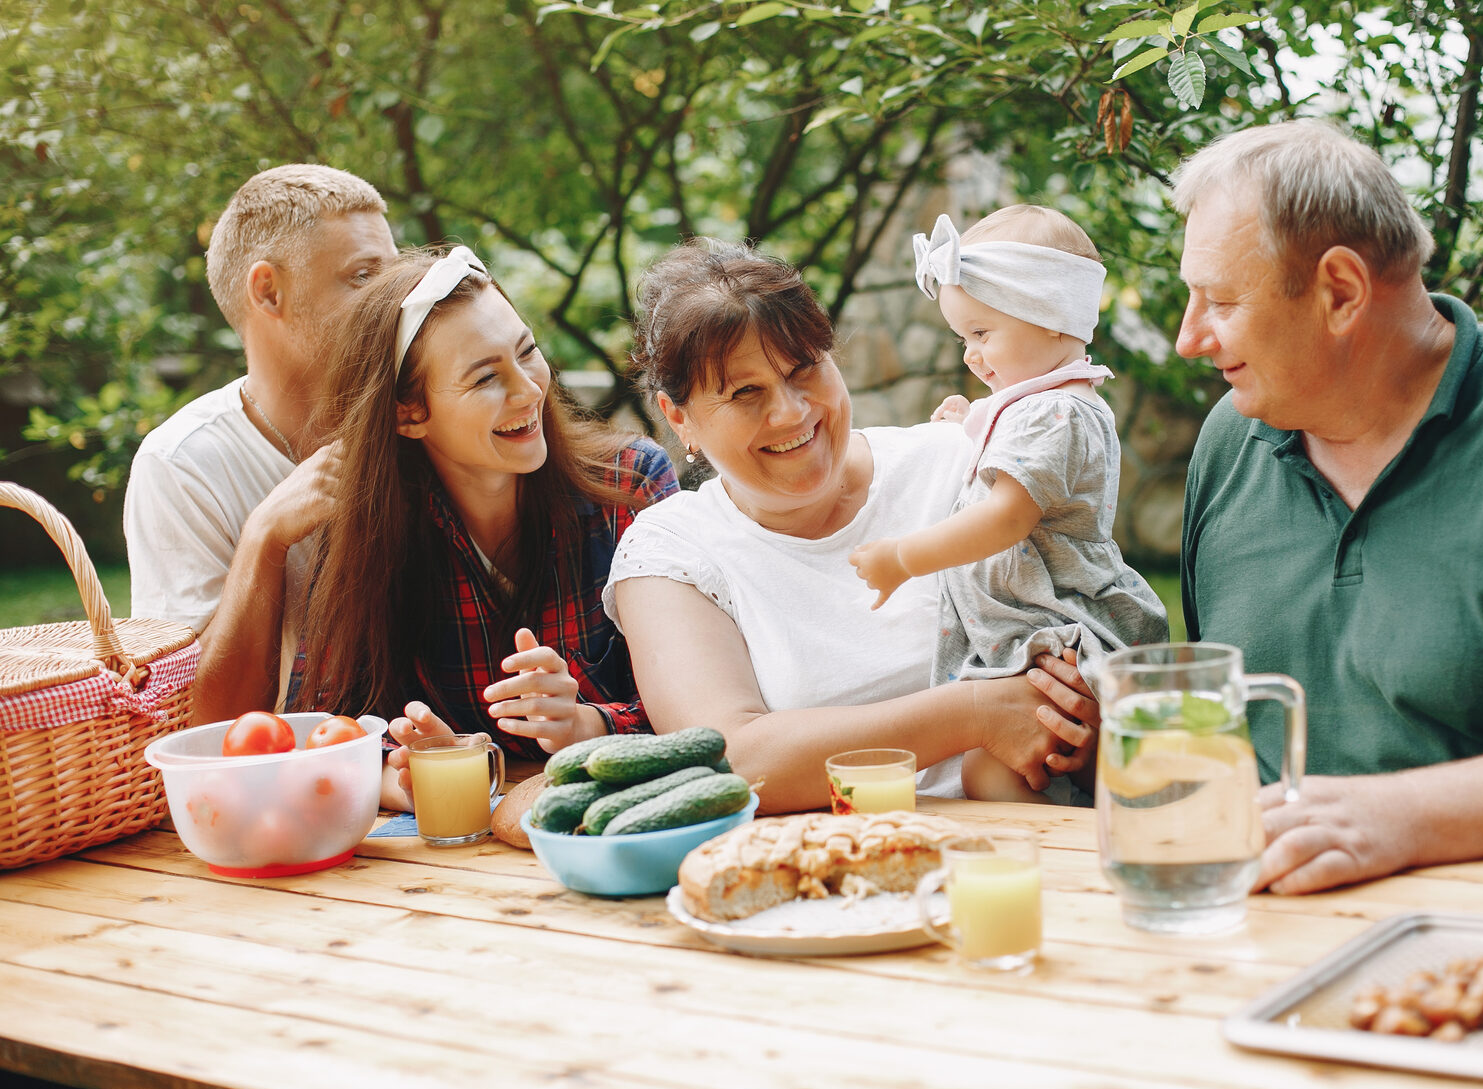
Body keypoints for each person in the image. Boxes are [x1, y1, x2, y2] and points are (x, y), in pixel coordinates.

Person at [1173, 119, 1483, 895]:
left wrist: (1401, 817)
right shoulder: (1231, 441)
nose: (1189, 339)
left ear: (1340, 291)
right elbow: (1228, 723)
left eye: (1220, 301)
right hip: (1257, 932)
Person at [603, 239, 1102, 814]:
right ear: (678, 418)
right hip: (820, 873)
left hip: (1023, 858)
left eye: (804, 369)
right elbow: (730, 762)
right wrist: (977, 715)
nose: (791, 412)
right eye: (745, 393)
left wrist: (1080, 718)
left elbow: (1093, 624)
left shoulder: (967, 465)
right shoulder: (671, 549)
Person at [291, 245, 677, 808]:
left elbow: (697, 711)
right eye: (485, 379)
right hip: (453, 864)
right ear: (408, 413)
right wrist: (428, 772)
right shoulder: (366, 532)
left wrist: (586, 724)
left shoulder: (633, 484)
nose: (528, 390)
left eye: (528, 353)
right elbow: (321, 734)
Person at [849, 206, 1167, 804]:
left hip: (1053, 629)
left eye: (981, 332)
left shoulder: (1054, 412)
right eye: (962, 336)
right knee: (1018, 768)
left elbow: (1009, 516)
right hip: (1033, 627)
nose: (969, 354)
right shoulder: (1046, 404)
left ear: (1049, 319)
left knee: (991, 771)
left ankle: (1057, 869)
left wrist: (904, 557)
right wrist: (973, 424)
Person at [124, 165, 398, 722]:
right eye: (363, 276)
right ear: (269, 291)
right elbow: (202, 723)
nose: (394, 300)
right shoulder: (181, 465)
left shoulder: (414, 415)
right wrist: (263, 538)